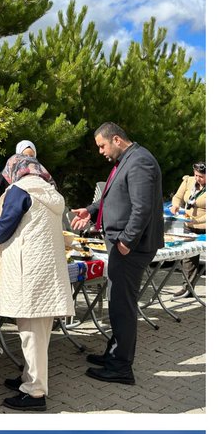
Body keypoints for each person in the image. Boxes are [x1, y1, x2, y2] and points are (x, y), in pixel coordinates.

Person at [0, 151, 70, 412]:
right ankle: (28, 378)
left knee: (30, 333)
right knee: (38, 332)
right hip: (47, 272)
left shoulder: (20, 190)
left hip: (31, 271)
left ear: (16, 170)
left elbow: (4, 226)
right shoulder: (49, 192)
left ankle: (35, 393)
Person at [70, 123, 164, 385]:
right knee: (118, 302)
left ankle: (121, 367)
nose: (100, 151)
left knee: (123, 306)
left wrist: (126, 241)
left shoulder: (139, 161)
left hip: (130, 248)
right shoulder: (129, 160)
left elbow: (142, 207)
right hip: (123, 245)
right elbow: (114, 197)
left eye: (102, 145)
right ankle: (114, 353)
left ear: (117, 139)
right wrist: (91, 210)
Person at [170, 162, 207, 229]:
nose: (197, 179)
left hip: (204, 228)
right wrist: (175, 205)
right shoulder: (188, 181)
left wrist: (197, 221)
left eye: (201, 177)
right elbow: (178, 197)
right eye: (196, 175)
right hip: (187, 225)